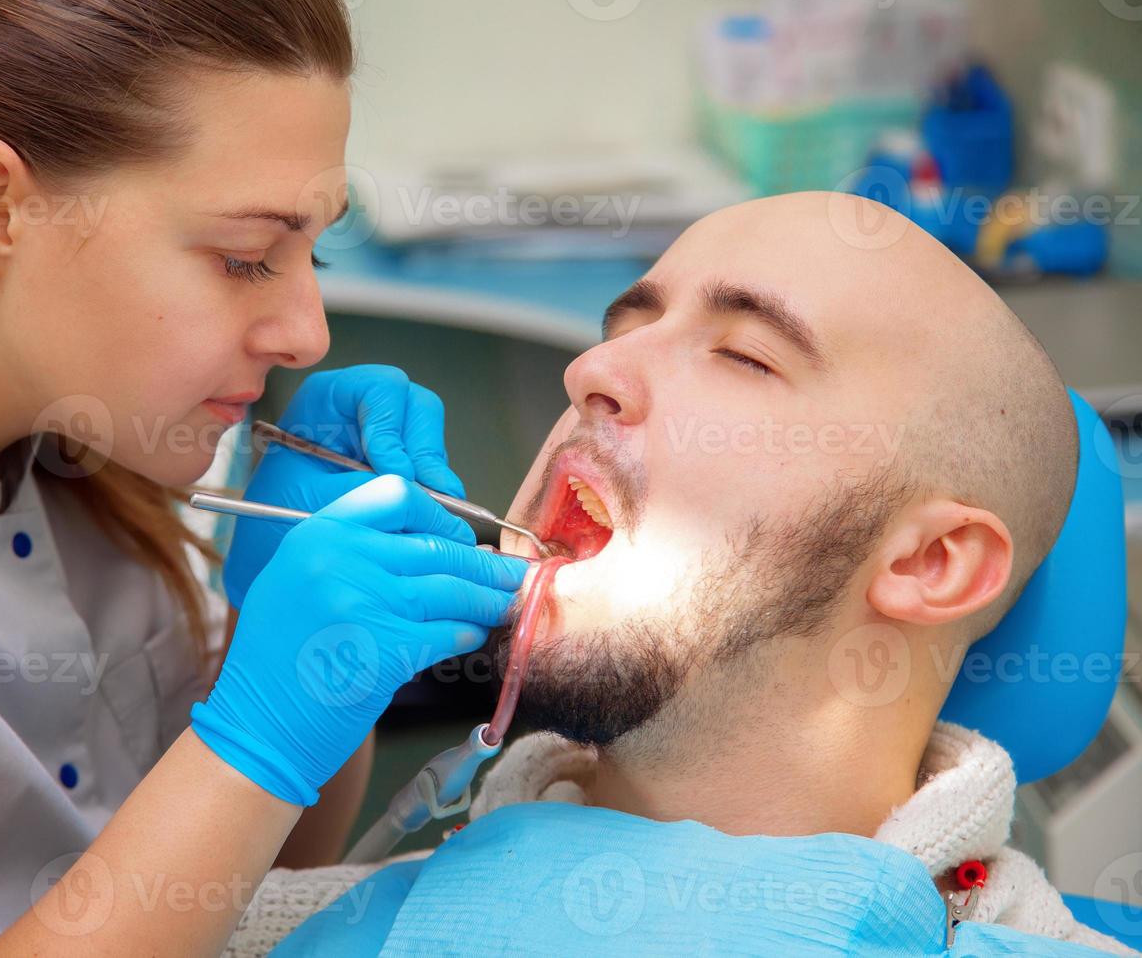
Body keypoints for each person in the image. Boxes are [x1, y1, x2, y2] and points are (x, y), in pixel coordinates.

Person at [0, 0, 527, 954]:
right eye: (250, 255)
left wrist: (285, 654)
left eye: (313, 257)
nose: (306, 335)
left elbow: (243, 901)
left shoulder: (73, 431)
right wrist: (248, 743)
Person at [227, 193, 1137, 956]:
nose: (591, 369)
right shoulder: (285, 925)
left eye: (746, 355)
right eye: (627, 329)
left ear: (930, 564)